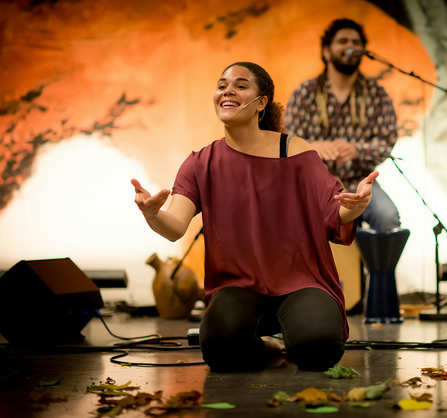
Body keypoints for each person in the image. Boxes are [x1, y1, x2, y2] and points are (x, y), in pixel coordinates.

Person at [131, 62, 379, 372]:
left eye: (240, 85)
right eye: (222, 85)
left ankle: (298, 336)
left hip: (300, 280)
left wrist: (355, 206)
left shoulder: (295, 151)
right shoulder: (200, 163)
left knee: (319, 350)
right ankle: (267, 346)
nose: (228, 91)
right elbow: (174, 227)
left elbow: (333, 210)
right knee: (220, 351)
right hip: (239, 284)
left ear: (261, 103)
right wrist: (153, 215)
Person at [285, 18, 401, 229]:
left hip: (359, 185)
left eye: (357, 43)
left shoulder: (377, 94)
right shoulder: (305, 92)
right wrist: (313, 148)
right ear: (327, 51)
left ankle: (378, 263)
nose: (351, 47)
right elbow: (287, 140)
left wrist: (357, 151)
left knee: (388, 218)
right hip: (314, 185)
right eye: (343, 41)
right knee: (292, 221)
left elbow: (387, 141)